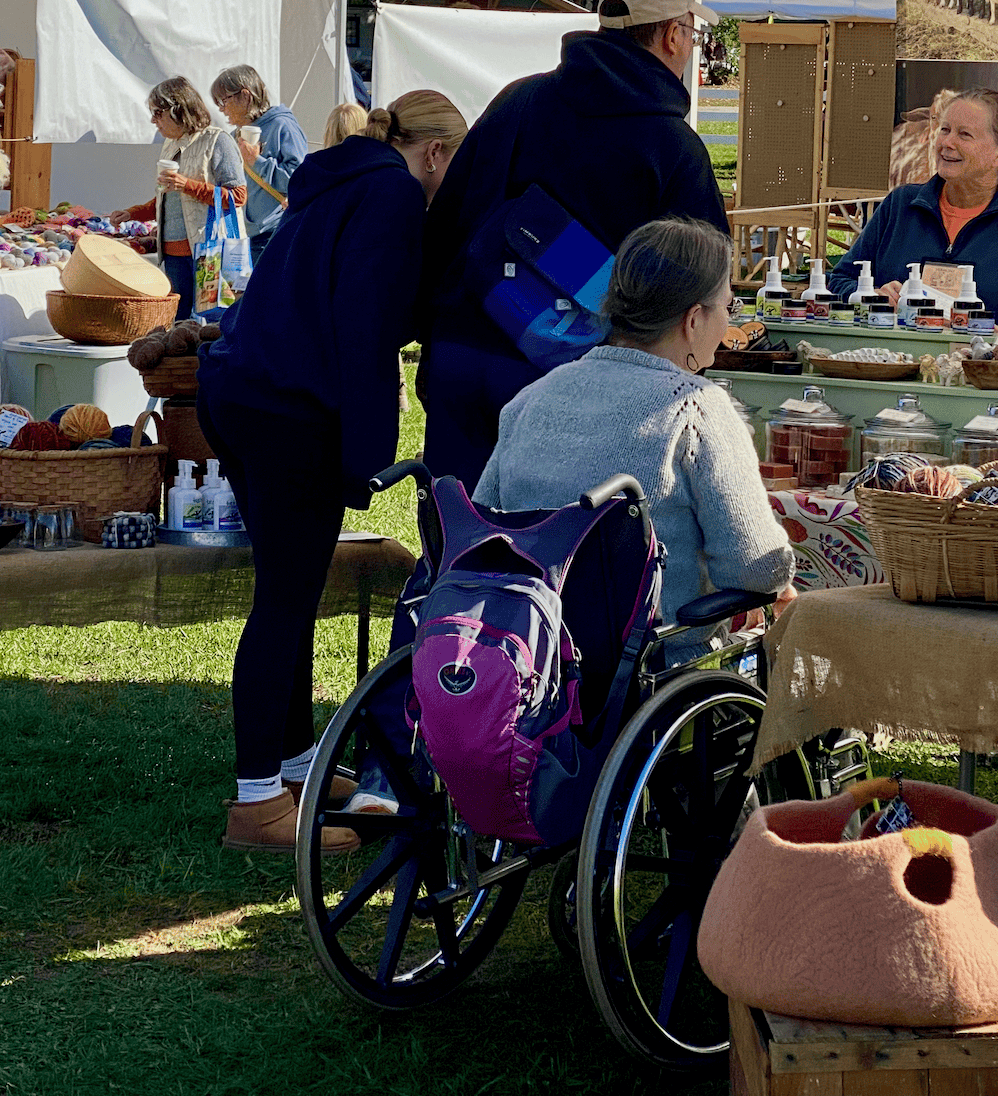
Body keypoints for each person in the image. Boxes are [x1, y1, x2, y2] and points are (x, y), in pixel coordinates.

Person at [198, 89, 469, 853]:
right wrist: (365, 463)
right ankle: (256, 806)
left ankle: (289, 768)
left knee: (290, 591)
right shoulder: (389, 194)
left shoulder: (340, 180)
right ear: (437, 154)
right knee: (284, 604)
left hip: (248, 394)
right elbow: (366, 333)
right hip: (290, 413)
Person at [419, 0, 730, 488]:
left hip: (464, 363)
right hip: (576, 395)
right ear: (673, 36)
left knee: (458, 551)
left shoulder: (518, 100)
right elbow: (701, 285)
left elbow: (444, 226)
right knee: (556, 559)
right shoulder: (674, 147)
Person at [475, 218, 795, 656]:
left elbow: (486, 527)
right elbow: (755, 570)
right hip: (649, 663)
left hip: (527, 652)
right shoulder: (696, 409)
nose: (727, 326)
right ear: (694, 319)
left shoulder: (531, 398)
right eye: (727, 307)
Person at [830, 89, 998, 320]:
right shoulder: (901, 205)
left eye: (964, 134)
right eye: (945, 130)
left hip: (983, 360)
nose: (947, 142)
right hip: (896, 357)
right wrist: (871, 295)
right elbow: (840, 280)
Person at [112, 76, 247, 321]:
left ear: (179, 109)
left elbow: (238, 195)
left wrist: (188, 186)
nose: (153, 120)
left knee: (215, 320)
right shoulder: (170, 144)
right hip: (173, 253)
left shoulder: (218, 141)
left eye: (158, 113)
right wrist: (132, 213)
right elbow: (166, 198)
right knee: (179, 321)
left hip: (210, 250)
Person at [210, 64, 308, 262]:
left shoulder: (282, 125)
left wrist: (257, 161)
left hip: (276, 232)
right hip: (242, 237)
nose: (221, 109)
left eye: (224, 100)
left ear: (245, 95)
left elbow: (301, 181)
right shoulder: (235, 135)